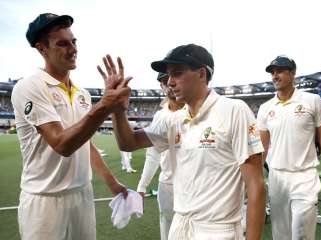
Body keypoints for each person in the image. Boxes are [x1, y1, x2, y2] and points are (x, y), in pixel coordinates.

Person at [97, 43, 266, 240]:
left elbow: (256, 186)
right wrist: (117, 109)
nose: (169, 82)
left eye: (177, 73)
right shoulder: (174, 119)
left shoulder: (233, 110)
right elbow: (128, 143)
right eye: (168, 76)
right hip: (180, 226)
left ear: (202, 74)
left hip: (217, 230)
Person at [11, 13, 129, 240]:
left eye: (74, 42)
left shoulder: (82, 93)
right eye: (62, 44)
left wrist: (112, 182)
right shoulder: (31, 86)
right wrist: (105, 105)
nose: (73, 49)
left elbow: (84, 143)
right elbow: (62, 144)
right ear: (42, 49)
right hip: (45, 199)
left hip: (82, 195)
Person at [257, 55, 321, 240]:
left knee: (301, 232)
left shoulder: (312, 100)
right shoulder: (265, 108)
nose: (275, 76)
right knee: (281, 234)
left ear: (293, 73)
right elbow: (263, 146)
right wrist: (254, 178)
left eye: (280, 71)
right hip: (277, 177)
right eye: (273, 73)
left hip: (305, 176)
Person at [137, 72, 185, 240]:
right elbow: (153, 154)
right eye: (164, 81)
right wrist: (142, 187)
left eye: (173, 77)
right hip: (168, 186)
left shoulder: (196, 110)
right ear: (162, 86)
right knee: (168, 232)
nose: (170, 84)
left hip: (197, 185)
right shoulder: (160, 116)